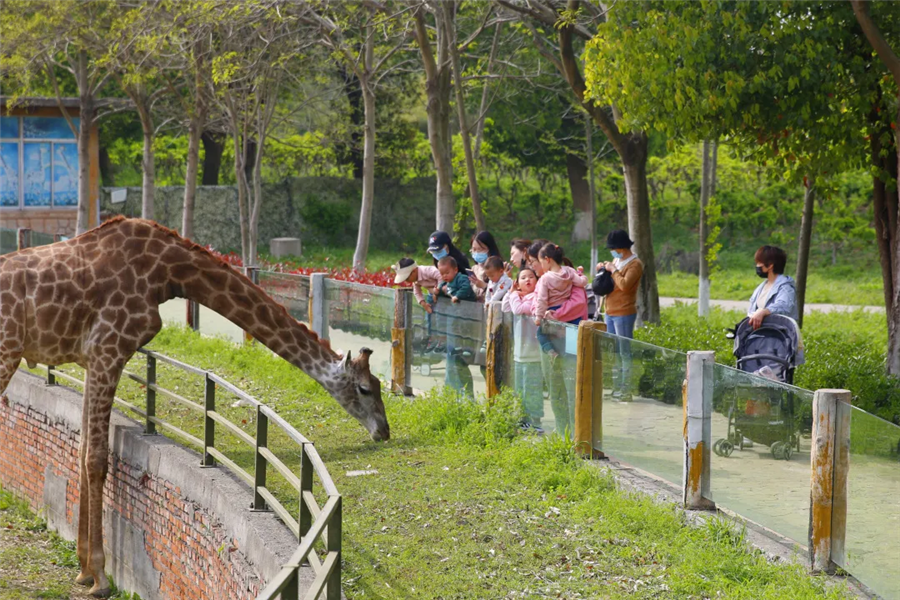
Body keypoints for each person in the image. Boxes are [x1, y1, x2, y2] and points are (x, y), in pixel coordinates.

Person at [598, 229, 643, 400]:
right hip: (610, 310)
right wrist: (605, 269)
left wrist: (613, 270)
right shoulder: (617, 260)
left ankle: (627, 389)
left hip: (623, 312)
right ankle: (616, 387)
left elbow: (624, 285)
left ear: (622, 248)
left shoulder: (635, 264)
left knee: (624, 351)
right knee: (615, 351)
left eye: (614, 248)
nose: (612, 252)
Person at [503, 268, 543, 430]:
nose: (527, 280)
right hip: (519, 353)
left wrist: (514, 295)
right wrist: (511, 293)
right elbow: (506, 308)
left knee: (532, 388)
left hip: (533, 354)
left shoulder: (535, 297)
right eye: (523, 278)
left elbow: (518, 309)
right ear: (518, 283)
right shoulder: (518, 297)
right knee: (520, 388)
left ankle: (536, 420)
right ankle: (523, 417)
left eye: (531, 277)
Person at [533, 243, 587, 353]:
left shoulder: (545, 278)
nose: (541, 265)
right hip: (569, 311)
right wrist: (581, 274)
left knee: (540, 334)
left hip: (552, 311)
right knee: (574, 341)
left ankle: (551, 352)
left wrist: (539, 317)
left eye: (541, 262)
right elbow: (582, 282)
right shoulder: (569, 271)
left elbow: (542, 300)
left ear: (547, 259)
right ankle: (575, 359)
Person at [748, 245, 798, 328]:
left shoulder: (785, 287)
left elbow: (784, 306)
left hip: (778, 335)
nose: (757, 266)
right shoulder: (762, 287)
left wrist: (764, 312)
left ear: (770, 265)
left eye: (759, 263)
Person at [468, 231, 503, 298]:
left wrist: (483, 286)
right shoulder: (474, 269)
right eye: (474, 249)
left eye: (480, 249)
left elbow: (501, 291)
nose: (477, 253)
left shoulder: (499, 269)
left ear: (490, 249)